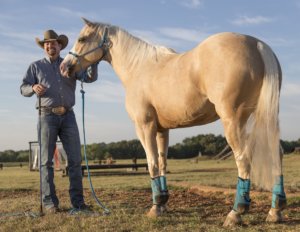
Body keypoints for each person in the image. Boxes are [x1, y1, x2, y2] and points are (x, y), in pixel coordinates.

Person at [20, 29, 98, 214]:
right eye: (47, 43)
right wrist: (32, 87)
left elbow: (89, 78)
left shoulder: (70, 64)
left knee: (75, 160)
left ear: (60, 46)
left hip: (68, 116)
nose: (50, 46)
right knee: (46, 162)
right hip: (46, 116)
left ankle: (78, 204)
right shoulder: (35, 67)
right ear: (44, 47)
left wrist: (93, 63)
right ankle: (49, 204)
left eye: (53, 43)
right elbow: (23, 88)